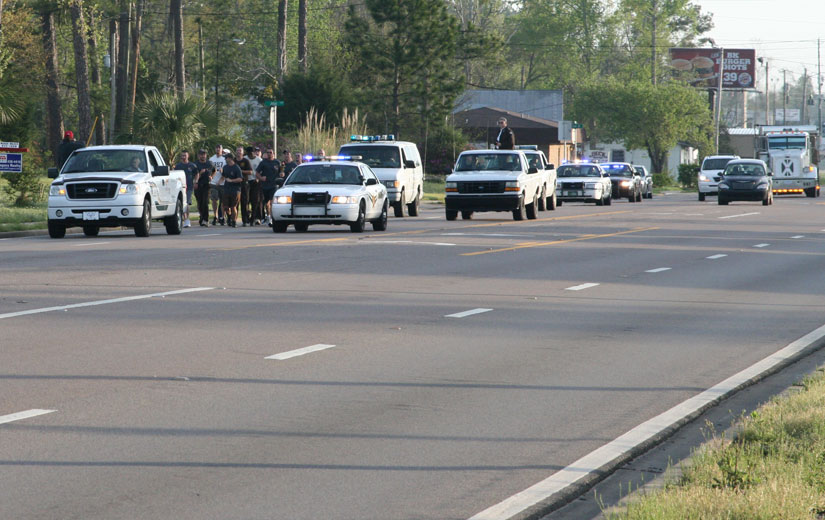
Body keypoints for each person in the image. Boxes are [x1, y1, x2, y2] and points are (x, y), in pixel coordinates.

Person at [256, 148, 281, 225]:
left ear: (273, 153)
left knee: (272, 202)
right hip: (265, 185)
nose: (269, 154)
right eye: (268, 152)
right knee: (266, 203)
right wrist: (261, 178)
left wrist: (281, 175)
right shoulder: (263, 162)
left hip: (274, 185)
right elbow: (257, 173)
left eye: (270, 152)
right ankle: (268, 216)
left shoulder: (277, 162)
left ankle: (272, 218)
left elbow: (281, 171)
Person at [175, 150, 199, 228]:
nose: (183, 157)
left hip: (189, 187)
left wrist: (196, 182)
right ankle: (182, 219)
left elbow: (197, 174)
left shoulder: (192, 165)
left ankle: (187, 220)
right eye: (182, 156)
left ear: (188, 156)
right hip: (179, 188)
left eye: (185, 155)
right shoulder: (178, 166)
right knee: (181, 203)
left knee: (187, 203)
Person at [220, 154, 243, 227]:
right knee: (225, 206)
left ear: (230, 159)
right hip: (226, 189)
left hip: (235, 190)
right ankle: (229, 217)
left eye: (226, 158)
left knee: (233, 207)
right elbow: (223, 176)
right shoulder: (225, 167)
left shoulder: (236, 168)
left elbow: (240, 179)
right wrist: (219, 182)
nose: (225, 159)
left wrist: (232, 180)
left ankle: (234, 221)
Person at [235, 146, 254, 226]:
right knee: (235, 203)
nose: (239, 152)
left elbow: (250, 172)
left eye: (240, 151)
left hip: (244, 183)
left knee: (244, 202)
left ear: (243, 152)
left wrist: (241, 171)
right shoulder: (234, 161)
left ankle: (245, 220)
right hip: (235, 184)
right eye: (238, 150)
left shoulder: (246, 161)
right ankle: (233, 220)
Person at [193, 149, 212, 226]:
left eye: (204, 154)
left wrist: (212, 177)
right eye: (201, 154)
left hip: (207, 185)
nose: (203, 156)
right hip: (198, 185)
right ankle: (201, 217)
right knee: (200, 203)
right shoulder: (195, 164)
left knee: (205, 202)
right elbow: (193, 176)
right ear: (198, 155)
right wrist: (200, 174)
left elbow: (214, 170)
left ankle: (206, 220)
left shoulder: (209, 163)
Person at [208, 145, 227, 225]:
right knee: (214, 200)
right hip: (213, 183)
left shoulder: (224, 159)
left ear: (222, 149)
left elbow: (227, 171)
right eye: (216, 147)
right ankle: (215, 216)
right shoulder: (211, 159)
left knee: (223, 201)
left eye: (219, 148)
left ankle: (222, 217)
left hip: (222, 183)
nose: (218, 149)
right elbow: (210, 170)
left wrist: (222, 176)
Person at [247, 146, 263, 225]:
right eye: (248, 154)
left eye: (251, 153)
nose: (250, 155)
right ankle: (248, 217)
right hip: (247, 181)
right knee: (247, 200)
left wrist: (259, 178)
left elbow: (262, 171)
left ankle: (257, 218)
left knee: (256, 201)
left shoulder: (259, 160)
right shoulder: (245, 159)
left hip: (256, 181)